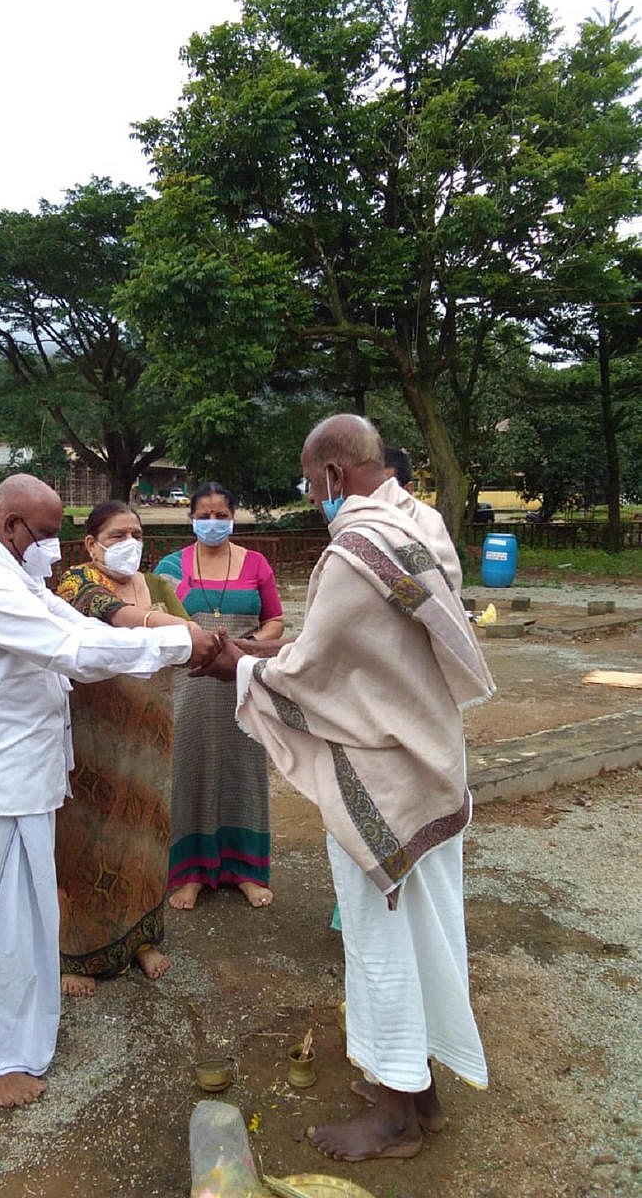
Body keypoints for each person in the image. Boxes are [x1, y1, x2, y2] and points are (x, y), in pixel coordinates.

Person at [194, 416, 494, 1162]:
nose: (308, 493)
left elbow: (310, 674)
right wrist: (270, 653)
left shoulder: (354, 552)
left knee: (381, 941)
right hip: (430, 762)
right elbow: (364, 652)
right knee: (429, 934)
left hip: (382, 779)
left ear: (331, 474)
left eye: (309, 480)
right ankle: (417, 1090)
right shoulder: (418, 522)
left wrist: (237, 664)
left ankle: (395, 1117)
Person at [0, 474, 219, 1108]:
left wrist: (173, 641)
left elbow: (85, 629)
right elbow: (74, 647)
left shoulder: (18, 576)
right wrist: (176, 639)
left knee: (21, 920)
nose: (54, 552)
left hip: (19, 780)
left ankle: (8, 1041)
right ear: (11, 527)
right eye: (48, 536)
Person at [54, 501, 191, 997]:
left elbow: (190, 642)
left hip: (151, 733)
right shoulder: (75, 584)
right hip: (94, 734)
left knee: (146, 832)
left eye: (136, 532)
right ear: (90, 543)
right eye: (116, 535)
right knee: (86, 840)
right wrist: (172, 630)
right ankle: (78, 952)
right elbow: (123, 621)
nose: (129, 542)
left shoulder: (158, 587)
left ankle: (142, 940)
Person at [154, 481, 284, 910]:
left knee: (243, 768)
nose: (213, 523)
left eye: (221, 515)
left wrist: (248, 646)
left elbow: (276, 621)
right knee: (190, 767)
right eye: (205, 515)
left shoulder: (256, 563)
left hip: (243, 677)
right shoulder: (171, 566)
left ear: (233, 516)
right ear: (191, 518)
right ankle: (189, 873)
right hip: (190, 681)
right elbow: (158, 621)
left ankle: (246, 871)